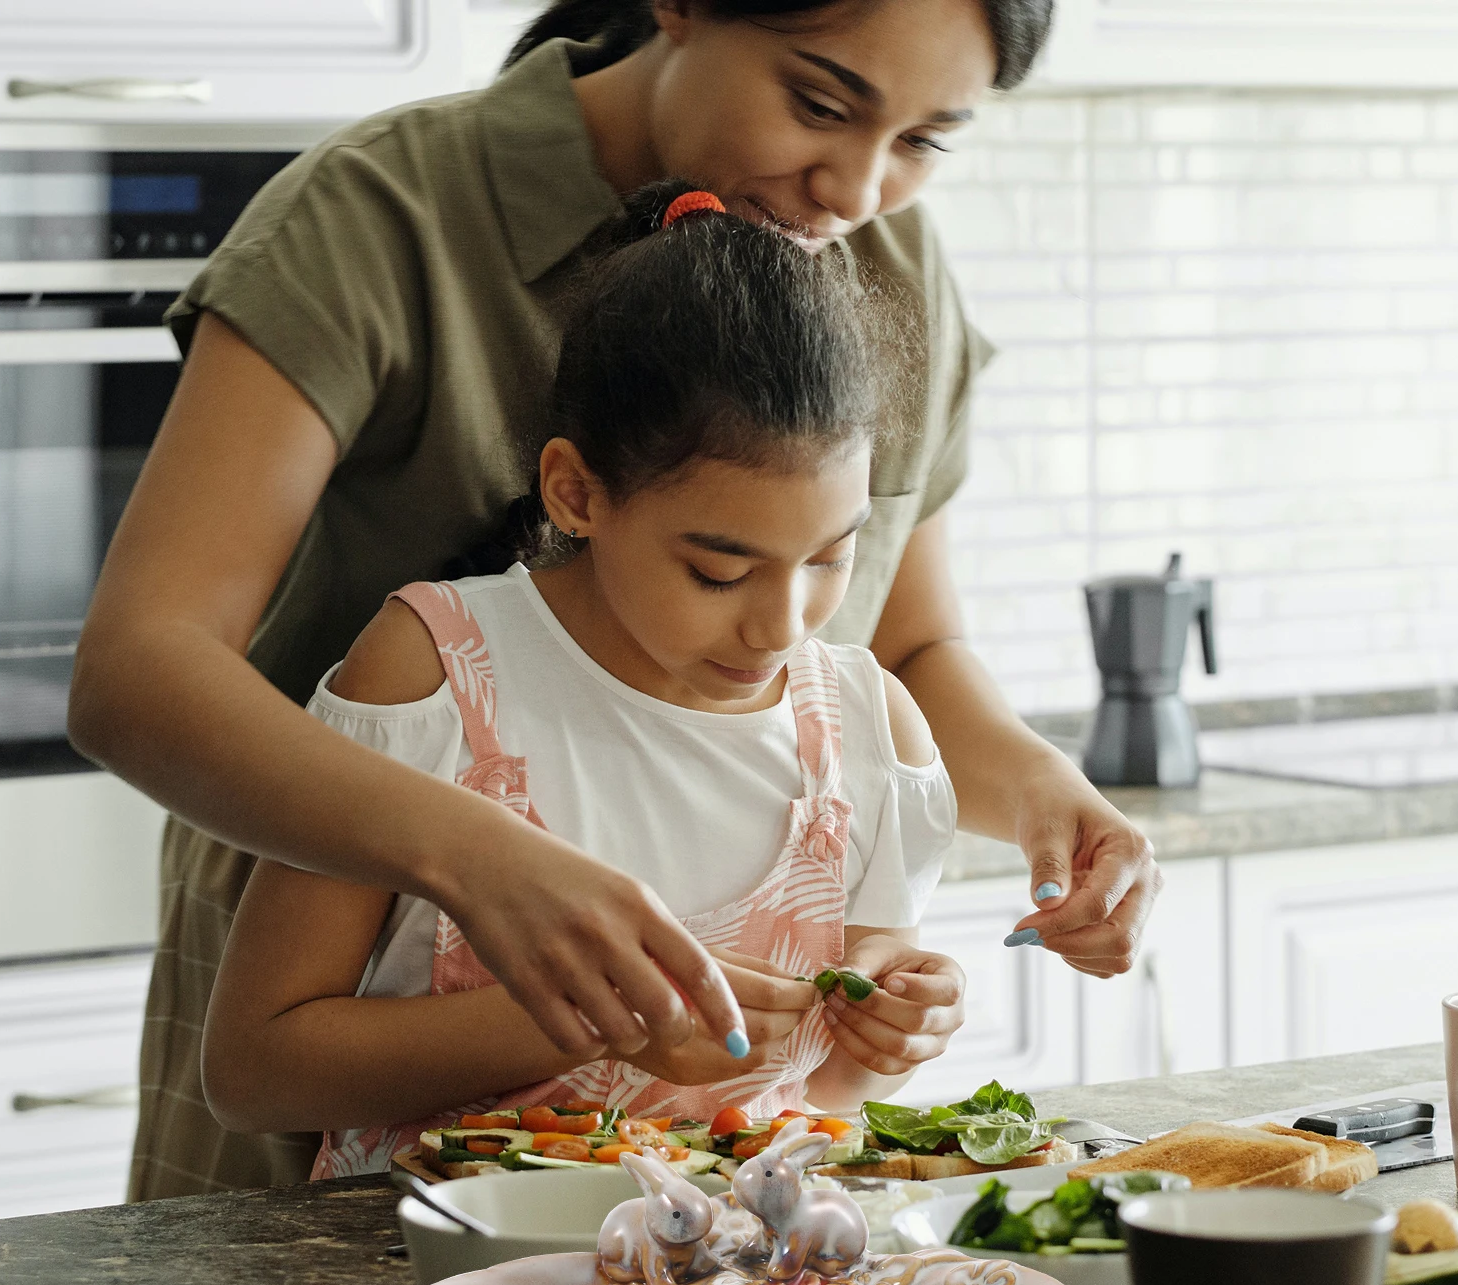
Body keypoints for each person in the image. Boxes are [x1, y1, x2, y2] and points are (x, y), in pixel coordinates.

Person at [70, 0, 1161, 1201]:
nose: (854, 192)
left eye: (921, 141)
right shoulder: (384, 214)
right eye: (818, 102)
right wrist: (483, 856)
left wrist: (1049, 798)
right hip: (336, 999)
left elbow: (903, 649)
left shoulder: (885, 264)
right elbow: (139, 671)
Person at [202, 185, 962, 1171]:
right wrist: (590, 1022)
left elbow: (826, 1098)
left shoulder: (868, 730)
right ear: (575, 492)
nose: (783, 625)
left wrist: (888, 1032)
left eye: (830, 556)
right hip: (433, 1262)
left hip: (747, 1262)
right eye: (718, 571)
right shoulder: (436, 674)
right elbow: (253, 1071)